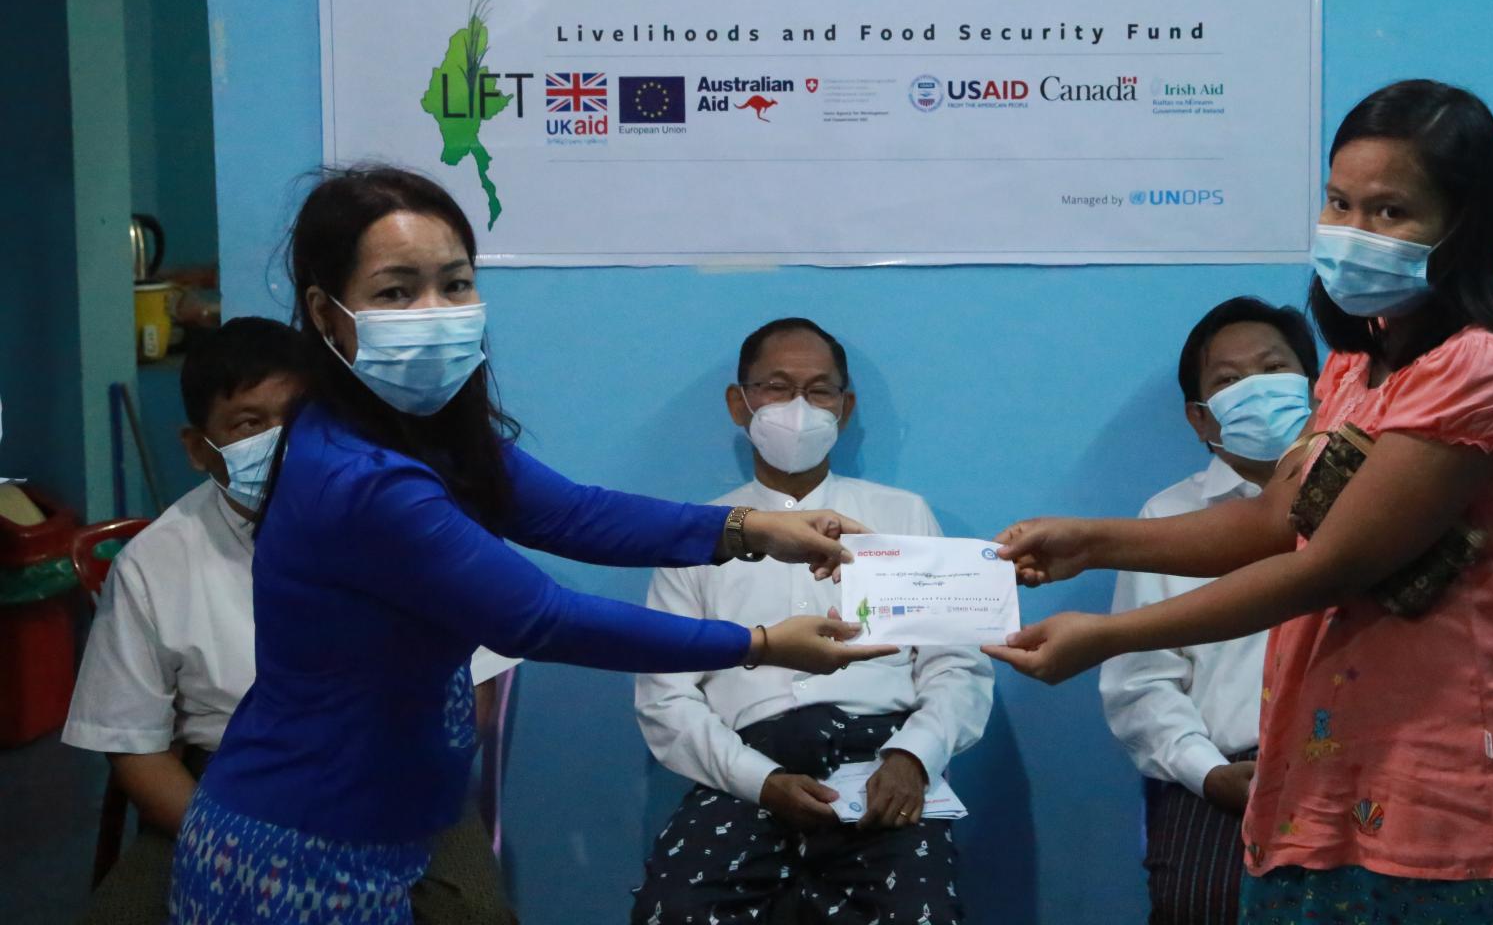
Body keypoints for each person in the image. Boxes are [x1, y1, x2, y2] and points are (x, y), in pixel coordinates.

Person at [170, 167, 896, 925]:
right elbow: (541, 618)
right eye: (396, 292)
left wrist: (748, 530)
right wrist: (760, 644)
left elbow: (574, 514)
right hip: (297, 851)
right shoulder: (361, 479)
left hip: (381, 829)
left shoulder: (425, 431)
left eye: (455, 284)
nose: (437, 311)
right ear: (327, 312)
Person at [987, 81, 1493, 924]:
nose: (1355, 232)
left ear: (1462, 224)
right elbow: (1273, 517)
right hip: (1342, 763)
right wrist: (1092, 541)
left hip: (1467, 775)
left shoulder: (1483, 365)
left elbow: (1327, 565)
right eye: (1340, 201)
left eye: (1391, 212)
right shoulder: (1359, 362)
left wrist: (1106, 637)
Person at [62, 318, 515, 924]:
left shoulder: (406, 519)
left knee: (474, 915)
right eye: (250, 423)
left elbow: (477, 686)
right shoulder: (155, 564)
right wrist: (238, 842)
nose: (284, 442)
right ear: (200, 449)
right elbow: (133, 750)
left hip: (396, 775)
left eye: (302, 415)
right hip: (223, 787)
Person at [632, 318, 992, 925]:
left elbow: (956, 663)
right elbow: (665, 699)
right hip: (743, 771)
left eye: (819, 390)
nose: (798, 407)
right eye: (776, 387)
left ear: (845, 408)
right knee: (675, 911)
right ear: (738, 404)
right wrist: (761, 780)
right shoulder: (696, 533)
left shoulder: (900, 516)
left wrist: (913, 757)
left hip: (885, 768)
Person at [1100, 297, 1319, 925]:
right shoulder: (1166, 522)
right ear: (1201, 420)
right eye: (1228, 381)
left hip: (1362, 771)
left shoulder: (1370, 498)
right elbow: (1140, 687)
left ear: (1317, 385)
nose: (1255, 389)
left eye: (1273, 369)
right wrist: (1211, 773)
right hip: (1225, 783)